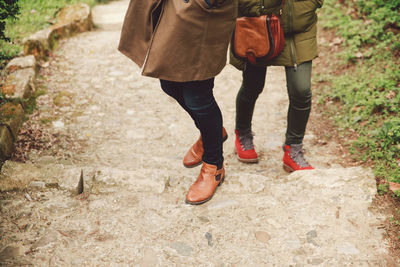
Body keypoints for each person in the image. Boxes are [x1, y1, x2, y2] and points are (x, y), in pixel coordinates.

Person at [118, 0, 236, 204]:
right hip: (175, 10)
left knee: (197, 95)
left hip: (204, 11)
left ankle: (214, 165)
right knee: (169, 83)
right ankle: (213, 133)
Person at [231, 0, 323, 171]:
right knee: (253, 85)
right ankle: (242, 134)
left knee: (301, 91)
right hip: (259, 25)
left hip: (299, 30)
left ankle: (293, 149)